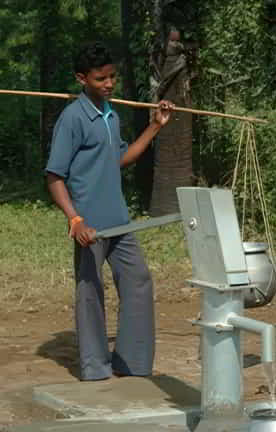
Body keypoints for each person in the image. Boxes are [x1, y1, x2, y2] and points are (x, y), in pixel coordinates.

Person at [45, 41, 174, 381]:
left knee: (138, 282)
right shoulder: (73, 118)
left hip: (119, 220)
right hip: (89, 225)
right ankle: (95, 368)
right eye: (101, 78)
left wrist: (156, 125)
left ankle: (132, 363)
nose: (109, 84)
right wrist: (75, 220)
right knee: (90, 291)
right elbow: (54, 176)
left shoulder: (110, 114)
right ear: (81, 79)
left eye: (112, 77)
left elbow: (121, 158)